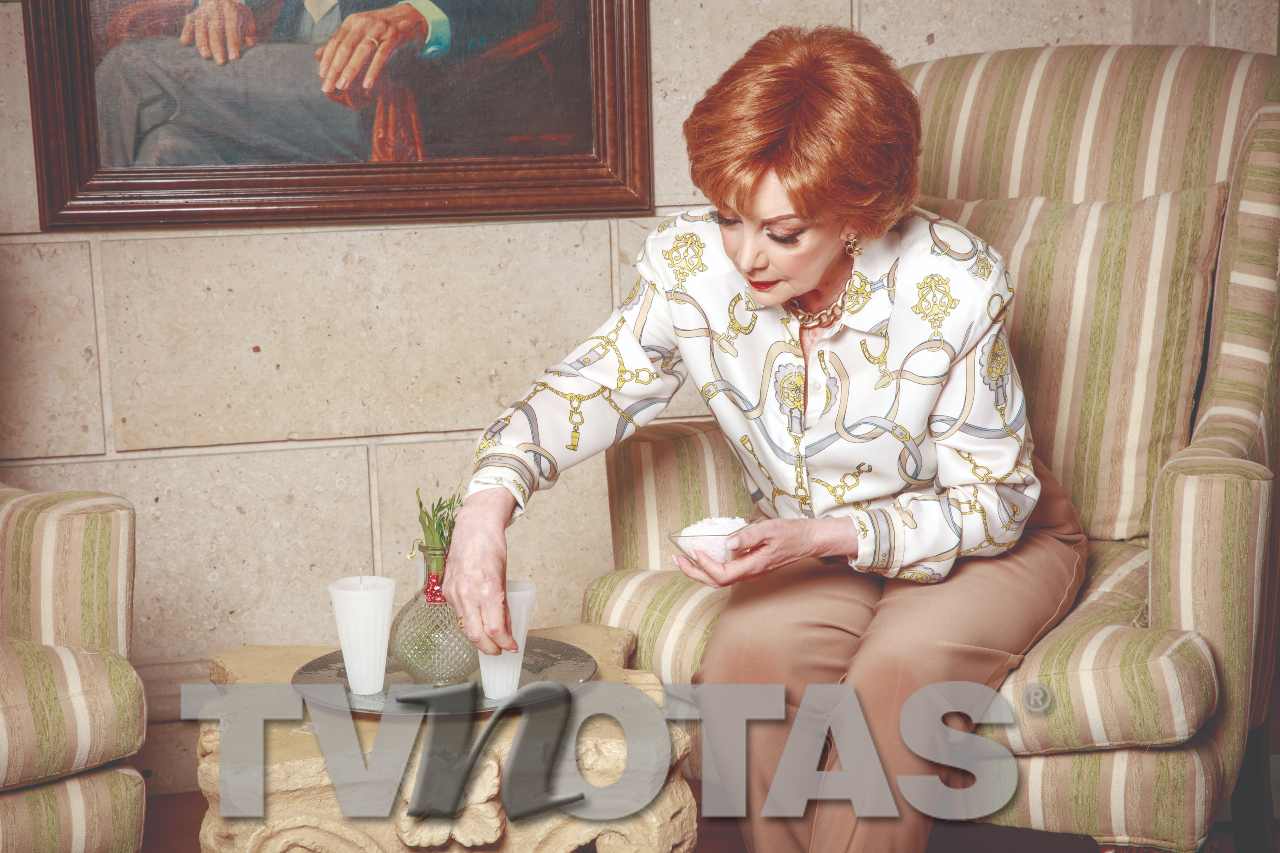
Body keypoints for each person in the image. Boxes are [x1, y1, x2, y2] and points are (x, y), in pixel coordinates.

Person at [445, 24, 1089, 853]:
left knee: (896, 681)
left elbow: (994, 501)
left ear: (857, 215)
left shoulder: (954, 284)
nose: (747, 255)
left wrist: (823, 534)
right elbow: (589, 384)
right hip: (811, 543)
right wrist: (486, 505)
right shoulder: (690, 267)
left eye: (784, 233)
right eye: (729, 217)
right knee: (747, 661)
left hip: (987, 536)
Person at [95, 0, 540, 166]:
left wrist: (415, 16)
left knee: (130, 71)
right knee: (166, 150)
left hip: (386, 90)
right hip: (287, 91)